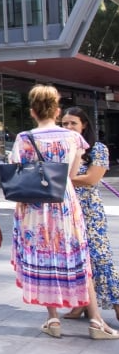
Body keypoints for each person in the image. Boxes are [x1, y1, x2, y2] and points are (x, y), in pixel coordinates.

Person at [10, 85, 119, 341]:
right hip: (66, 203)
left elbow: (18, 171)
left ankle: (53, 318)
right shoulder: (73, 138)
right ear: (57, 111)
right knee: (79, 258)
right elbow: (71, 175)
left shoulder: (24, 138)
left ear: (33, 112)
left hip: (35, 206)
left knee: (45, 258)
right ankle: (95, 320)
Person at [61, 107, 119, 323]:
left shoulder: (97, 148)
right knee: (74, 258)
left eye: (73, 123)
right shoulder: (64, 148)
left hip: (89, 210)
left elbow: (92, 179)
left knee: (100, 257)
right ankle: (81, 304)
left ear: (84, 125)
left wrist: (61, 178)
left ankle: (116, 302)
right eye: (65, 123)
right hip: (67, 208)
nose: (68, 127)